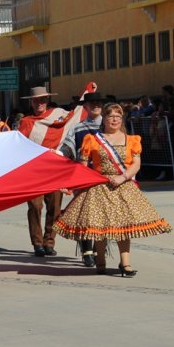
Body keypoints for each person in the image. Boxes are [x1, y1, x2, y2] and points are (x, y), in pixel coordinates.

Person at [53, 103, 172, 276]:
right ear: (104, 119)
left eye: (118, 115)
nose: (114, 119)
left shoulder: (132, 140)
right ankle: (100, 260)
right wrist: (72, 185)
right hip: (99, 186)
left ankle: (125, 263)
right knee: (100, 226)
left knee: (124, 226)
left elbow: (136, 164)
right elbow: (83, 168)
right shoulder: (92, 140)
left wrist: (123, 177)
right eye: (110, 116)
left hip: (123, 186)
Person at [18, 84, 94, 257]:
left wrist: (87, 93)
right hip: (33, 172)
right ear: (31, 102)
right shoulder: (26, 122)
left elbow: (76, 115)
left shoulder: (59, 115)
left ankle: (49, 242)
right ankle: (37, 243)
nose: (40, 103)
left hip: (55, 170)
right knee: (35, 207)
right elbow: (18, 146)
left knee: (55, 208)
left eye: (43, 100)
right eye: (36, 100)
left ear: (47, 100)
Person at [58, 92, 105, 267]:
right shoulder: (77, 128)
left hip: (104, 176)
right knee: (86, 215)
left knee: (101, 215)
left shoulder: (108, 126)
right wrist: (58, 154)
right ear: (85, 107)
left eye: (99, 103)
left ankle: (98, 250)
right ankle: (87, 252)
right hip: (84, 175)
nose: (96, 105)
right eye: (92, 103)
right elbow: (68, 147)